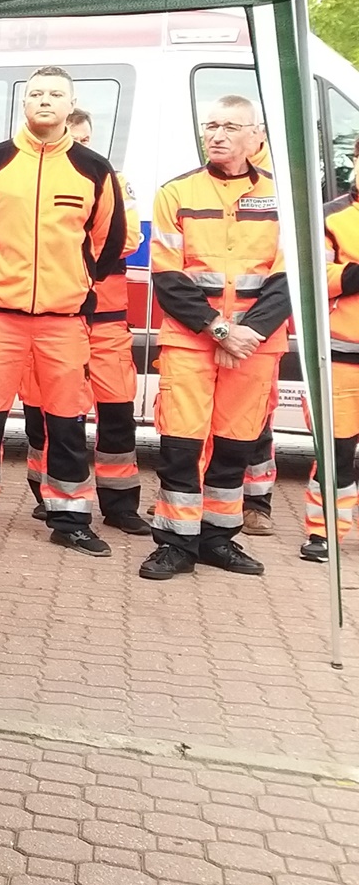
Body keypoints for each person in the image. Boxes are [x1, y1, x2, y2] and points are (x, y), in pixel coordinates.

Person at [0, 67, 128, 557]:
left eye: (56, 94)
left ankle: (70, 518)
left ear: (70, 104)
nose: (45, 100)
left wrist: (78, 279)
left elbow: (108, 241)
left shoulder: (94, 169)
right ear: (24, 103)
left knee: (67, 423)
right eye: (37, 93)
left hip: (64, 321)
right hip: (0, 317)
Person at [138, 96, 289, 580]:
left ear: (256, 136)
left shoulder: (284, 198)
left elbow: (289, 279)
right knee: (181, 443)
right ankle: (175, 542)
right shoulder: (176, 192)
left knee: (235, 444)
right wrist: (221, 331)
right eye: (211, 126)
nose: (218, 135)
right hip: (192, 341)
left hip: (255, 346)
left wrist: (248, 334)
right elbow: (168, 276)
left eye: (231, 127)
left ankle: (217, 539)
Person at [20, 108, 149, 535]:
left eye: (87, 139)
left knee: (116, 410)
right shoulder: (33, 180)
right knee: (46, 413)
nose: (81, 146)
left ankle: (120, 504)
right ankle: (49, 496)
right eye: (74, 138)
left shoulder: (113, 180)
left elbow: (127, 238)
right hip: (53, 316)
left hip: (105, 319)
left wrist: (64, 242)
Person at [304, 159, 359, 563]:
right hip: (341, 356)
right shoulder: (329, 217)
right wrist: (353, 275)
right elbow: (313, 278)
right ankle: (324, 533)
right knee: (336, 450)